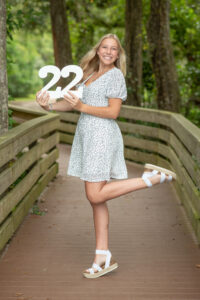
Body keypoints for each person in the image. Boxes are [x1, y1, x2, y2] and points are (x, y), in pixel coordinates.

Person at [36, 33, 176, 279]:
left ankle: (150, 178)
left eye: (114, 48)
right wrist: (46, 105)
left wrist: (81, 107)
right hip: (87, 136)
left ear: (118, 54)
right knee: (97, 200)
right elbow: (70, 104)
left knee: (94, 193)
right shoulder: (88, 74)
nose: (109, 51)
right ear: (98, 50)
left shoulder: (115, 76)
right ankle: (102, 256)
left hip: (102, 135)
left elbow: (113, 112)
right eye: (105, 47)